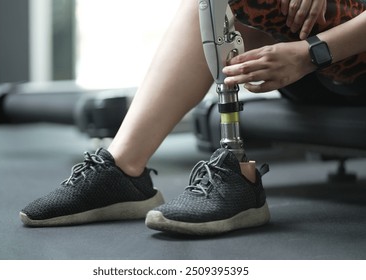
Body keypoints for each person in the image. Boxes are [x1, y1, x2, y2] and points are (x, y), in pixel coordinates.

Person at [19, 0, 366, 235]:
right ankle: (123, 170)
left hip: (335, 55)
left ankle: (237, 170)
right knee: (212, 4)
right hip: (312, 62)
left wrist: (311, 53)